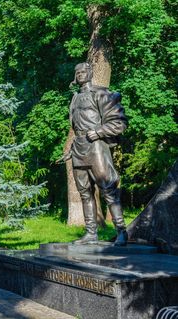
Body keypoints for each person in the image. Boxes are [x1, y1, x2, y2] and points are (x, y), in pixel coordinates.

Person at [63, 62, 128, 246]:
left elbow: (119, 123)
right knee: (85, 192)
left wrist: (99, 131)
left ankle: (121, 231)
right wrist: (71, 150)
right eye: (78, 72)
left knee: (108, 189)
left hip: (97, 146)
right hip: (79, 147)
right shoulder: (75, 97)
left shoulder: (102, 94)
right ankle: (91, 232)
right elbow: (76, 127)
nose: (81, 74)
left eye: (84, 71)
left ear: (90, 73)